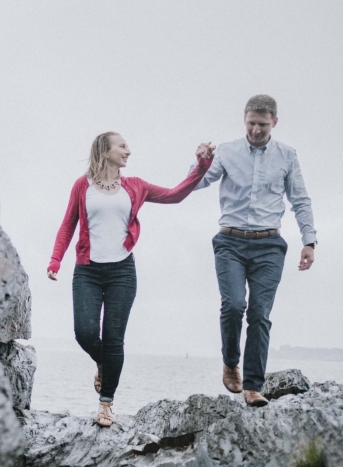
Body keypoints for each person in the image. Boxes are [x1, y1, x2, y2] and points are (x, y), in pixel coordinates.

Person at [47, 132, 214, 427]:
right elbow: (67, 225)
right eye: (122, 146)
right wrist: (55, 260)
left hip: (122, 272)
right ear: (105, 150)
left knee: (114, 339)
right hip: (87, 270)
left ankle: (106, 404)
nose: (128, 151)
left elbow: (176, 194)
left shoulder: (135, 186)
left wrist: (202, 164)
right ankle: (103, 363)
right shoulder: (82, 186)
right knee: (84, 333)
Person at [191, 95, 317, 407]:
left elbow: (300, 200)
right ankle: (230, 361)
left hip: (269, 246)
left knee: (260, 315)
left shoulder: (287, 155)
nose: (256, 130)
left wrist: (309, 241)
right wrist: (202, 160)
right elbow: (195, 183)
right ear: (244, 120)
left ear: (274, 122)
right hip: (230, 242)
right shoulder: (228, 151)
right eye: (251, 123)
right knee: (234, 305)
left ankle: (253, 387)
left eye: (262, 124)